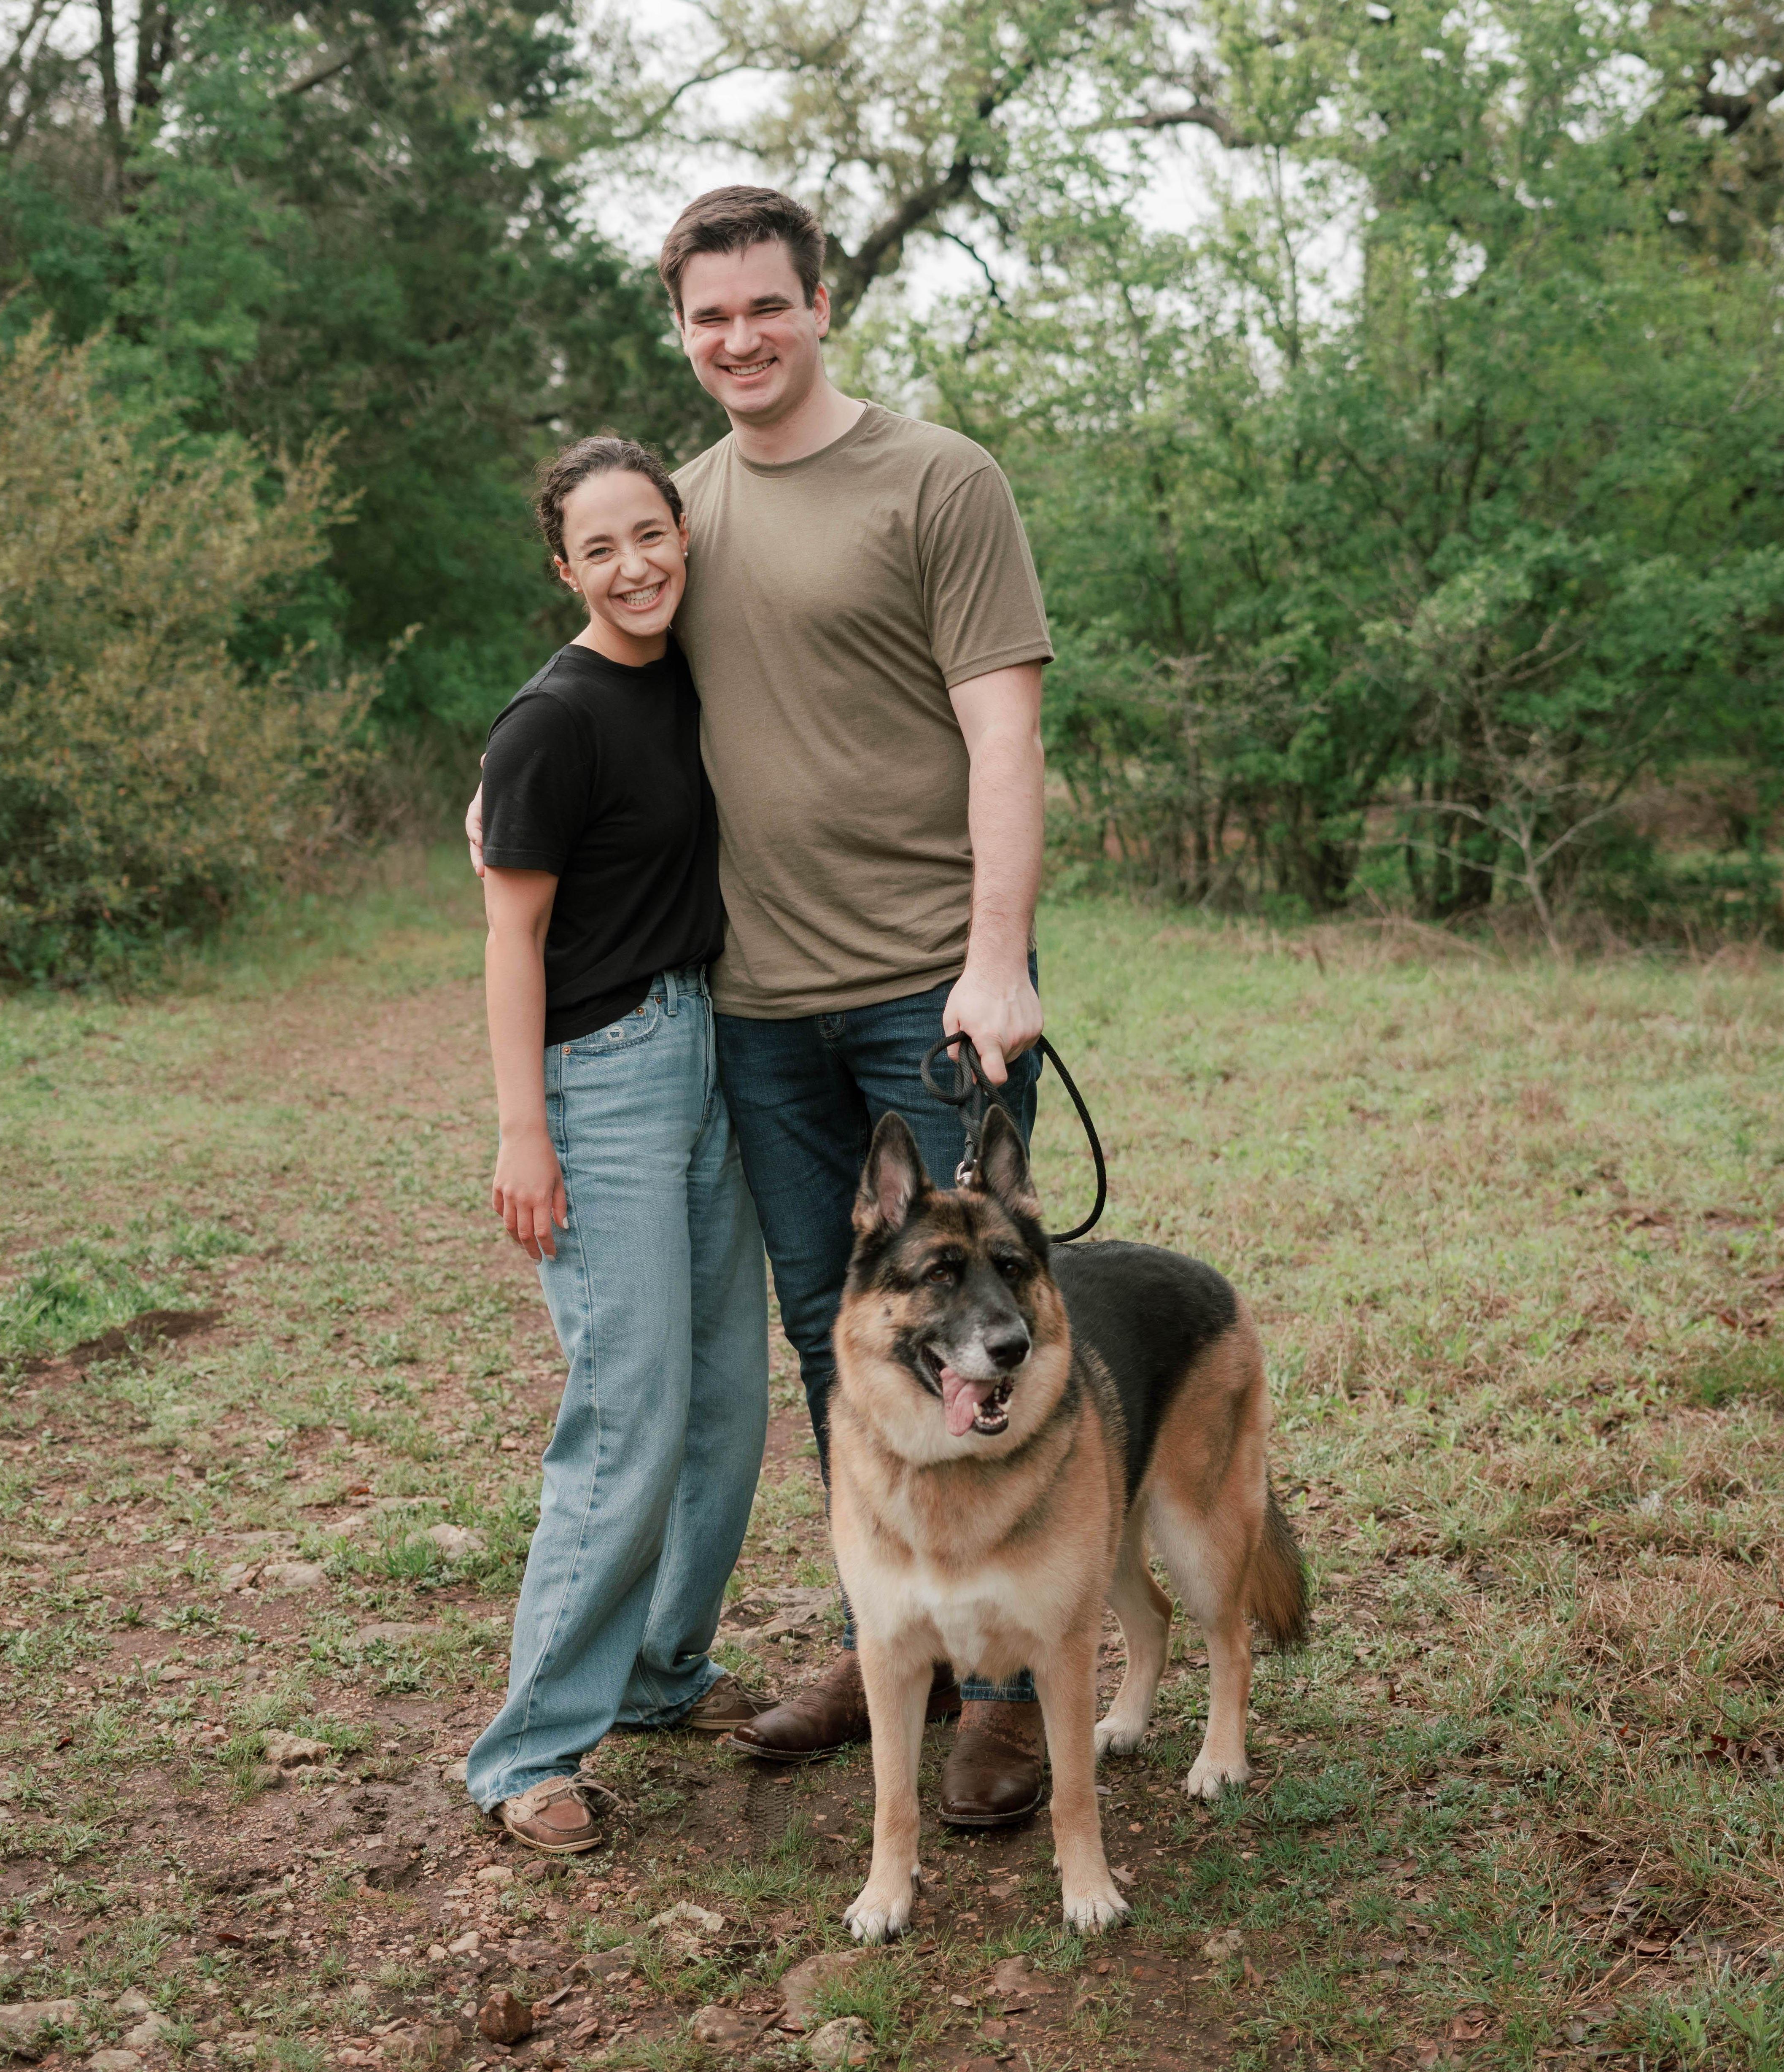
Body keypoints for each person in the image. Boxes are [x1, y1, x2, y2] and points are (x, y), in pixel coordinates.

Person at [472, 186, 1054, 1825]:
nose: (740, 338)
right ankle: (898, 1639)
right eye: (708, 316)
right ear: (681, 331)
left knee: (985, 1324)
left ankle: (1004, 1694)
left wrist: (996, 955)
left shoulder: (939, 480)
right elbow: (602, 655)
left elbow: (1004, 732)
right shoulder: (690, 509)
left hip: (928, 993)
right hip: (755, 1018)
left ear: (820, 305)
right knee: (838, 1346)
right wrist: (499, 797)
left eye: (765, 306)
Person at [464, 436, 771, 1855]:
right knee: (631, 1412)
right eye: (601, 549)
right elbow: (511, 934)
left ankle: (660, 1669)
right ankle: (530, 1751)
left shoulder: (693, 674)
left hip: (708, 1046)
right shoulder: (552, 720)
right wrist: (524, 1130)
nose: (634, 565)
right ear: (565, 570)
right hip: (602, 1080)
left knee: (728, 1403)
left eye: (651, 534)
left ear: (682, 534)